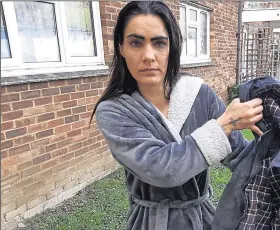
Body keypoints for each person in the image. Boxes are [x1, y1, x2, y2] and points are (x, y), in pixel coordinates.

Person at [90, 1, 263, 229]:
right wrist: (224, 125)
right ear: (121, 48)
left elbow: (241, 158)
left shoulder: (198, 94)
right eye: (136, 43)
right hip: (150, 222)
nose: (149, 55)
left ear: (171, 47)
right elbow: (160, 168)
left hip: (201, 220)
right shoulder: (114, 111)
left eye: (159, 43)